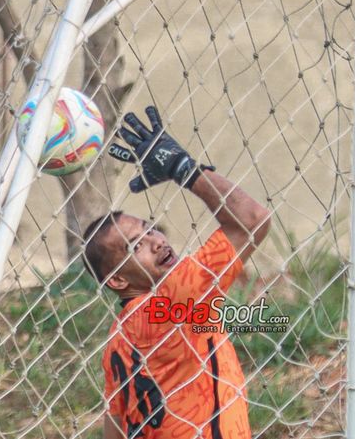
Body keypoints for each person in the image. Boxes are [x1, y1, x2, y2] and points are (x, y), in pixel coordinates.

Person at [83, 106, 270, 439]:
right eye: (134, 246)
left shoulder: (119, 339)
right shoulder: (172, 298)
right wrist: (182, 169)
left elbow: (115, 421)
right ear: (118, 280)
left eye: (150, 229)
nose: (155, 242)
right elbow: (251, 219)